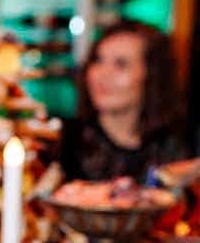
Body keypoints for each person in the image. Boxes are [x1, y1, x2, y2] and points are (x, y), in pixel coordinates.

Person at [57, 21, 185, 184]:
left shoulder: (172, 149)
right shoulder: (62, 142)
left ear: (152, 76)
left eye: (121, 64)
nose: (102, 74)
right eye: (98, 60)